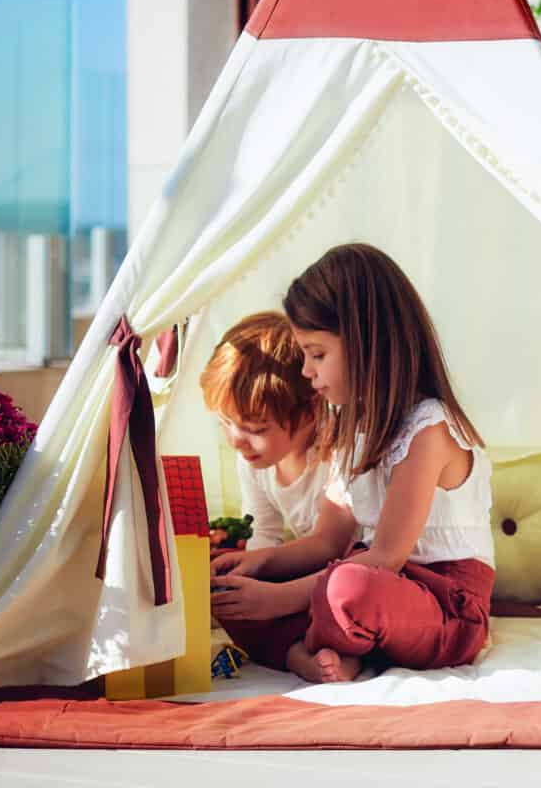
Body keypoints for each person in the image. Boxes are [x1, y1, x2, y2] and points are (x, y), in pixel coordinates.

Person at [211, 243, 495, 684]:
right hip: (372, 583)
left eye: (317, 354)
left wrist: (278, 600)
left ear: (368, 345)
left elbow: (384, 558)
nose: (305, 371)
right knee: (228, 591)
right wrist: (260, 565)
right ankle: (313, 653)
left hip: (444, 603)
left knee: (349, 588)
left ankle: (321, 643)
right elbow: (327, 541)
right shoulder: (352, 428)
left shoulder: (428, 430)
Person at [200, 312, 355, 669]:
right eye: (226, 423)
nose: (237, 441)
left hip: (345, 576)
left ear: (310, 410)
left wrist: (275, 593)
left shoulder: (341, 453)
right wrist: (246, 578)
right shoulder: (254, 461)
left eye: (255, 428)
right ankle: (298, 653)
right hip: (303, 577)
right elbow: (264, 539)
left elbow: (344, 551)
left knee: (346, 601)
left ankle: (319, 651)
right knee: (225, 589)